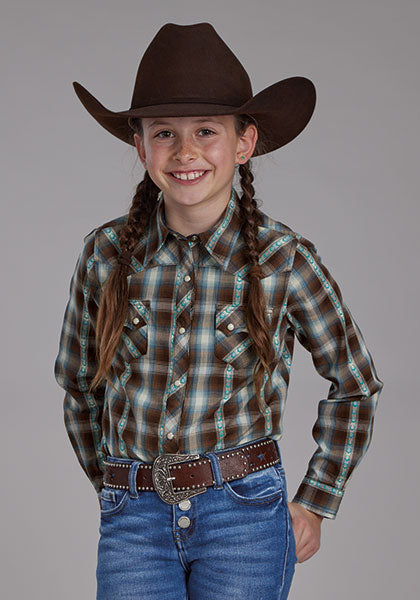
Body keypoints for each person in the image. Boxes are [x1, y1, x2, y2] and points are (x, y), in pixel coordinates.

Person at [54, 22, 384, 600]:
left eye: (206, 131)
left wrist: (316, 500)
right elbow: (79, 386)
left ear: (243, 143)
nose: (185, 152)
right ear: (141, 147)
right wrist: (119, 487)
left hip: (244, 518)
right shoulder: (105, 255)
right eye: (164, 133)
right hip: (134, 523)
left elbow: (355, 382)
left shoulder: (283, 259)